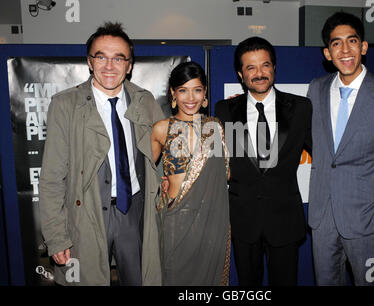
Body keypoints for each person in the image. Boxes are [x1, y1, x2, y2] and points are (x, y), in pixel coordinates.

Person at [39, 22, 164, 285]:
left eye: (119, 58)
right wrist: (56, 236)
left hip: (134, 211)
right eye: (101, 57)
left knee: (143, 280)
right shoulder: (65, 105)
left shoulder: (145, 101)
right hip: (86, 215)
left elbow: (160, 160)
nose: (109, 66)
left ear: (129, 65)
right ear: (89, 61)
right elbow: (51, 177)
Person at [307, 12, 374, 286]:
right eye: (336, 44)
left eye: (352, 41)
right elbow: (319, 147)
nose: (345, 50)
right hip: (323, 220)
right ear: (327, 53)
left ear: (363, 47)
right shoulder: (316, 90)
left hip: (369, 223)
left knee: (370, 283)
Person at [214, 37, 313, 286]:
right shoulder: (225, 110)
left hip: (285, 220)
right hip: (243, 220)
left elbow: (327, 152)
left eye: (265, 65)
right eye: (251, 68)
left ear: (274, 68)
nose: (259, 74)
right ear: (240, 74)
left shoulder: (300, 108)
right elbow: (217, 160)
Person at [151, 61, 231, 285]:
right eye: (183, 90)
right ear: (173, 93)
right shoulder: (161, 128)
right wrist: (161, 184)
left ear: (205, 93)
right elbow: (143, 172)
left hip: (212, 221)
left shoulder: (215, 127)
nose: (191, 98)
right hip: (176, 219)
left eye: (197, 90)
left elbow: (226, 173)